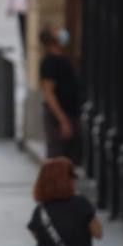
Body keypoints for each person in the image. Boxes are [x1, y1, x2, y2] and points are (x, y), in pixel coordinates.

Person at [38, 27, 82, 163]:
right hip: (59, 116)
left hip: (70, 113)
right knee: (57, 160)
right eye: (56, 31)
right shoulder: (50, 62)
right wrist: (63, 120)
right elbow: (48, 94)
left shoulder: (64, 59)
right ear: (52, 40)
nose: (61, 33)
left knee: (69, 159)